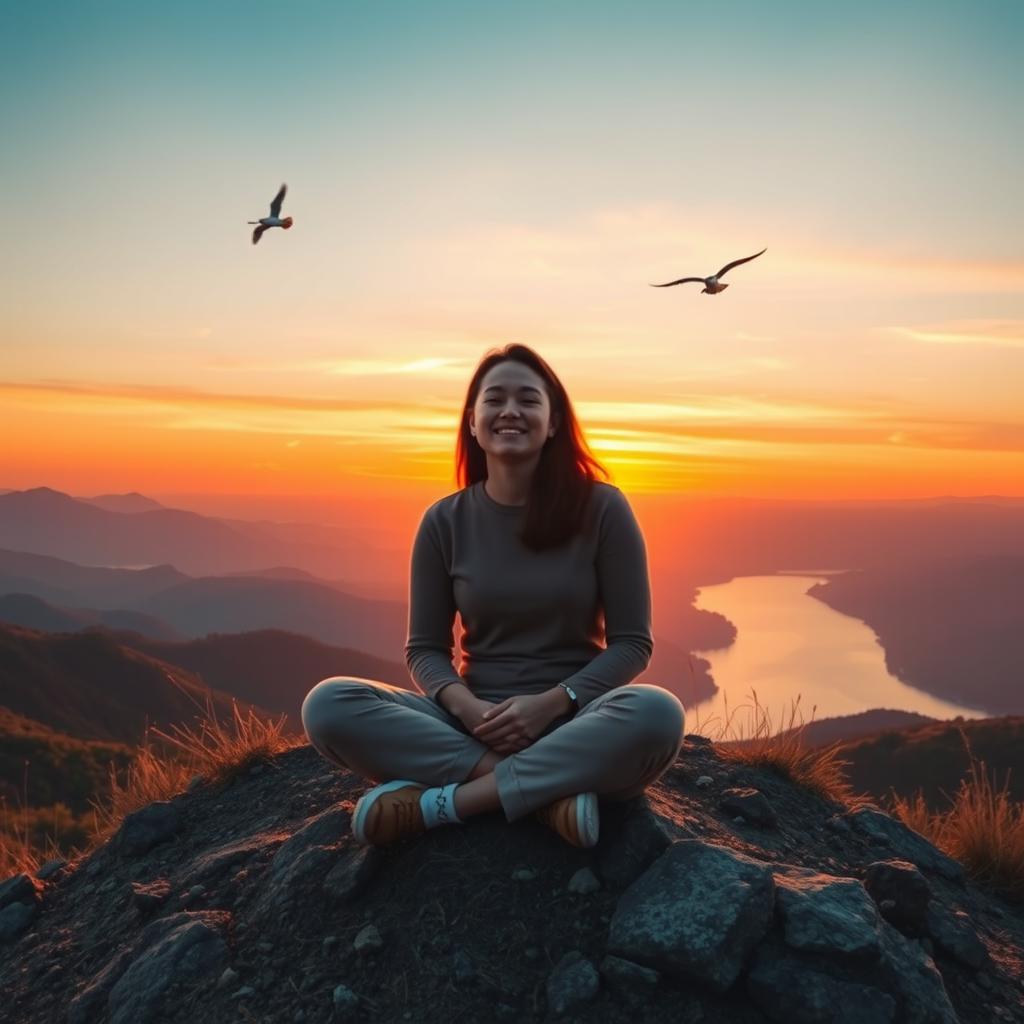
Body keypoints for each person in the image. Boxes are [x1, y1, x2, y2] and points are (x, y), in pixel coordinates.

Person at [301, 343, 685, 848]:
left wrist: (552, 704)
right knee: (328, 704)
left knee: (657, 713)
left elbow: (633, 644)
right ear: (473, 421)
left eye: (528, 400)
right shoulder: (444, 521)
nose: (510, 411)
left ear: (552, 423)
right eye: (494, 399)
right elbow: (425, 650)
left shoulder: (603, 509)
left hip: (576, 722)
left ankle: (443, 806)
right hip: (472, 725)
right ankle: (549, 799)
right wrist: (467, 708)